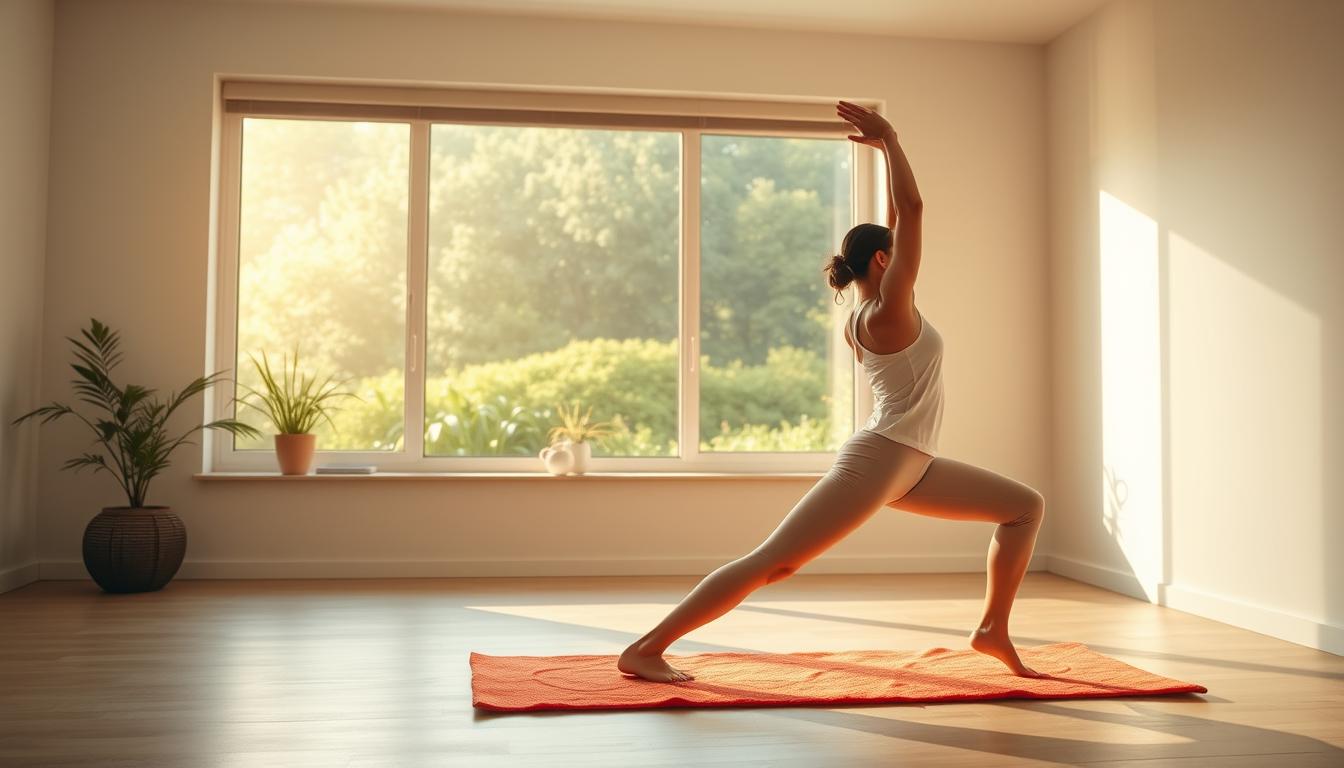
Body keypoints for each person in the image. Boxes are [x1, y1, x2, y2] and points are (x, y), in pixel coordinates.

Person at [616, 100, 1047, 683]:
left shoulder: (865, 314)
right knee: (773, 563)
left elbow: (901, 214)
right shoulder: (888, 311)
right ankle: (646, 648)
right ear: (882, 259)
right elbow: (912, 207)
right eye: (897, 253)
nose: (908, 260)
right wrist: (891, 137)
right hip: (882, 458)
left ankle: (992, 628)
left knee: (1024, 507)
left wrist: (888, 153)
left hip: (912, 463)